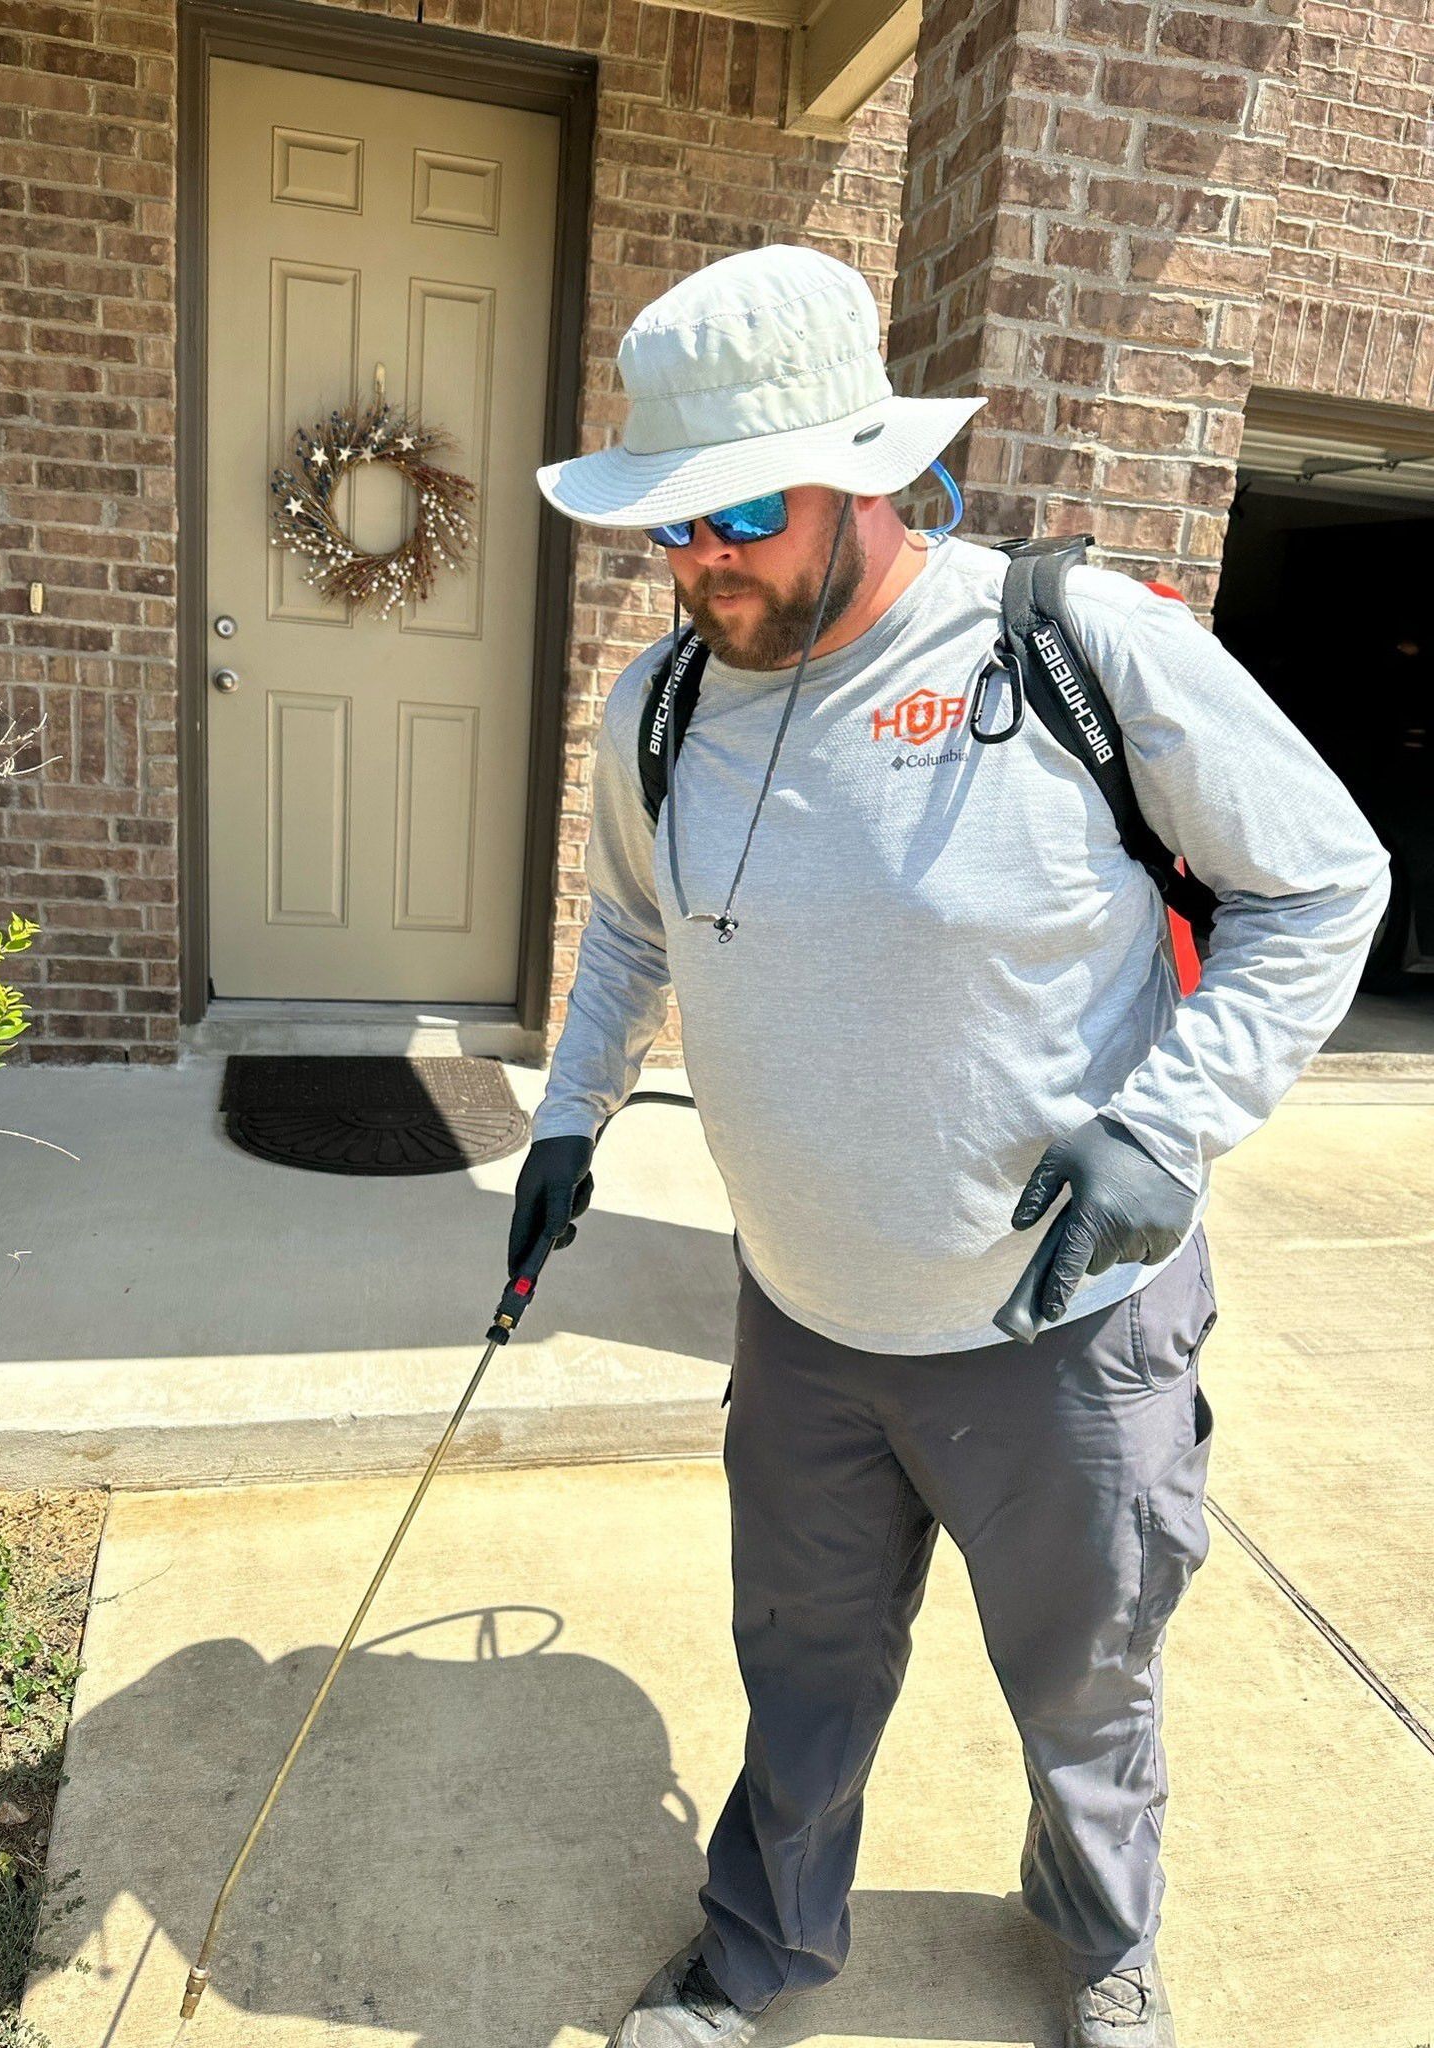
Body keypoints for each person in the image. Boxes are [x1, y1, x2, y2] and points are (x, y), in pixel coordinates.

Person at [507, 245, 1390, 2048]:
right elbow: (627, 930)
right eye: (664, 526)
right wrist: (570, 1115)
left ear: (870, 471)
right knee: (805, 1677)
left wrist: (1170, 1124)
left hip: (1066, 1339)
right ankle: (759, 1953)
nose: (698, 563)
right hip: (807, 1330)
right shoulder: (656, 709)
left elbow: (1323, 881)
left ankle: (1097, 1936)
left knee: (1086, 1684)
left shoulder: (1068, 645)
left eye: (736, 513)